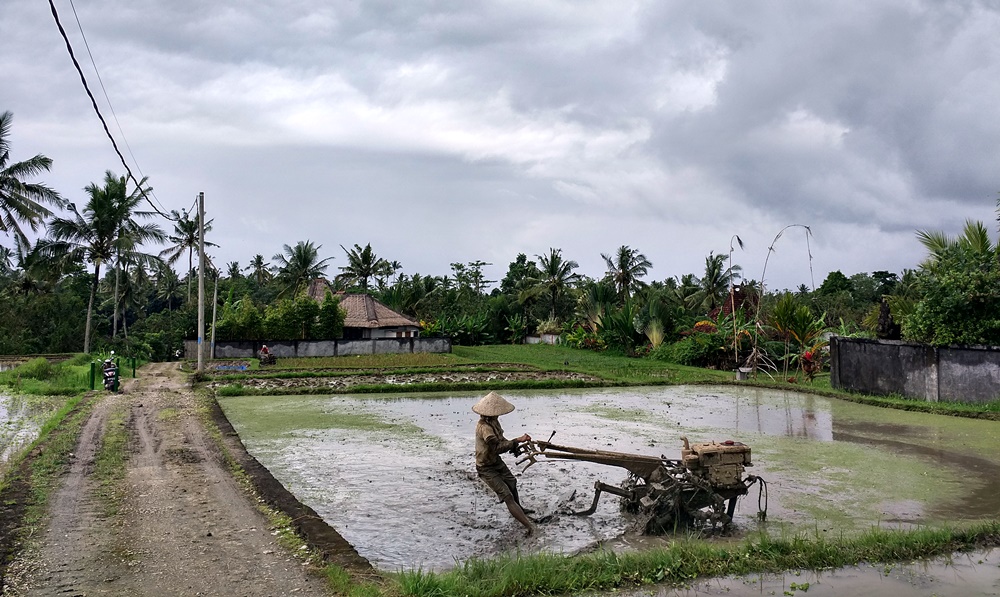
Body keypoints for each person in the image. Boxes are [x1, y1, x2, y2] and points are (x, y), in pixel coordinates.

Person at [473, 391, 535, 535]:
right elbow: (497, 448)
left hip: (495, 461)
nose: (498, 415)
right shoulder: (485, 428)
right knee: (507, 496)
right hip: (486, 467)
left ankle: (520, 509)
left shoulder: (493, 422)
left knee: (512, 482)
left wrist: (513, 446)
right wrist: (516, 441)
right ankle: (529, 526)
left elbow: (501, 441)